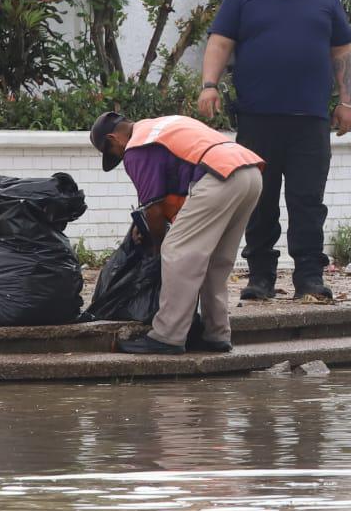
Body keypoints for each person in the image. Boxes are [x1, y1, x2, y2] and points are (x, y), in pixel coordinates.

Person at [197, 0, 351, 302]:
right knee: (259, 200)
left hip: (310, 121)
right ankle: (261, 278)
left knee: (307, 202)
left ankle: (309, 278)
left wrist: (346, 101)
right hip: (257, 119)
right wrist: (209, 85)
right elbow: (220, 42)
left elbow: (342, 51)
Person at [90, 111, 264, 355]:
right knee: (215, 260)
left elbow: (154, 209)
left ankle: (168, 336)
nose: (121, 158)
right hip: (249, 172)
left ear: (114, 139)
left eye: (114, 154)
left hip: (219, 178)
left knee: (175, 251)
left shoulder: (137, 147)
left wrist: (156, 245)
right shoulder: (160, 125)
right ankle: (216, 334)